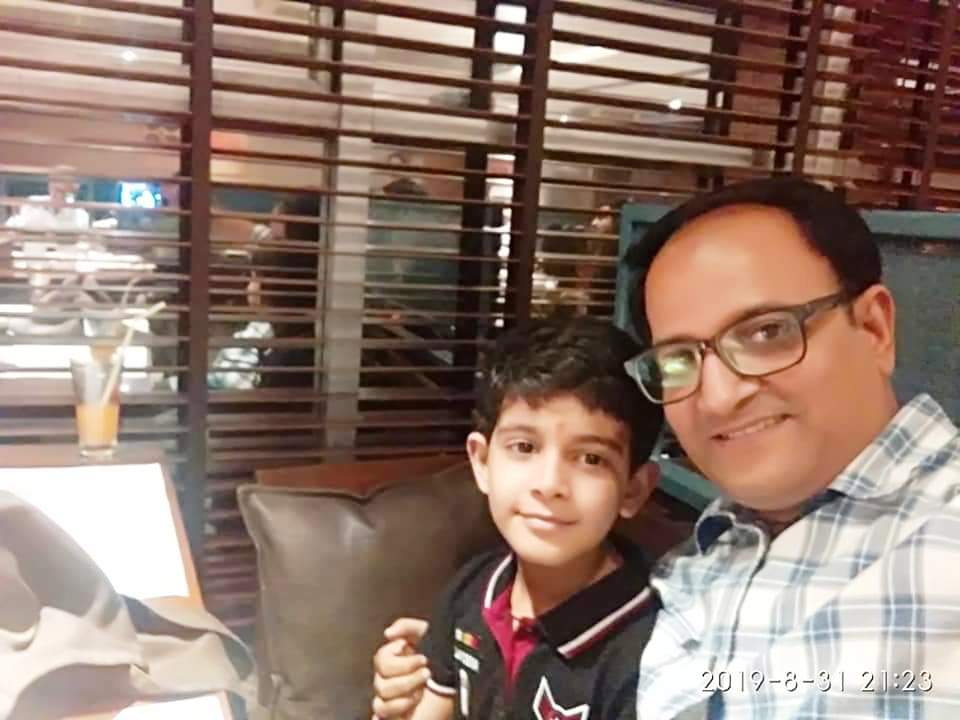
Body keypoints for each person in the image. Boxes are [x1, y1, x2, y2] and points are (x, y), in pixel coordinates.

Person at [371, 178, 960, 719]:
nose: (721, 396)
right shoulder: (698, 562)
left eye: (767, 332)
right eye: (680, 359)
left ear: (875, 328)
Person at [379, 315, 665, 720]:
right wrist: (394, 707)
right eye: (524, 447)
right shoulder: (471, 591)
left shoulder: (652, 650)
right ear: (482, 462)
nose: (550, 484)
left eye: (590, 458)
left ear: (633, 489)